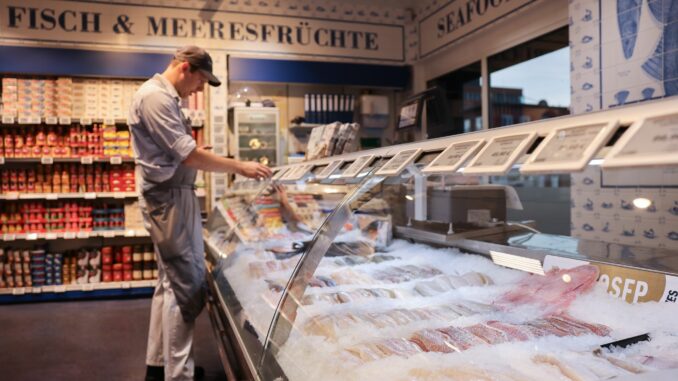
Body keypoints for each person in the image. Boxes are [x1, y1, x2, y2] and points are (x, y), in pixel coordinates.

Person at [128, 45, 271, 381]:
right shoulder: (155, 97)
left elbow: (180, 153)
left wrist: (196, 154)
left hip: (173, 196)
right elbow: (188, 156)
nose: (201, 88)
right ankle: (178, 376)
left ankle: (158, 366)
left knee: (168, 283)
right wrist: (240, 167)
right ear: (185, 68)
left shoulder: (165, 97)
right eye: (202, 80)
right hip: (170, 200)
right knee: (186, 286)